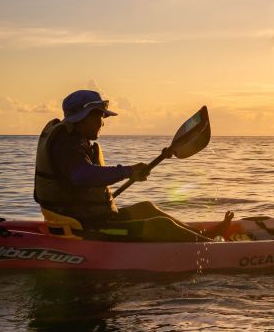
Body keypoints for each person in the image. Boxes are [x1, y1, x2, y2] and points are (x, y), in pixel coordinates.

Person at [34, 89, 231, 242]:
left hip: (92, 217)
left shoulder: (74, 140)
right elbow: (82, 176)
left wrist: (132, 173)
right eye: (100, 116)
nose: (102, 123)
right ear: (85, 117)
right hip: (87, 226)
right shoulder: (67, 144)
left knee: (146, 208)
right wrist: (128, 171)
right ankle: (210, 248)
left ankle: (201, 235)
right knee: (160, 226)